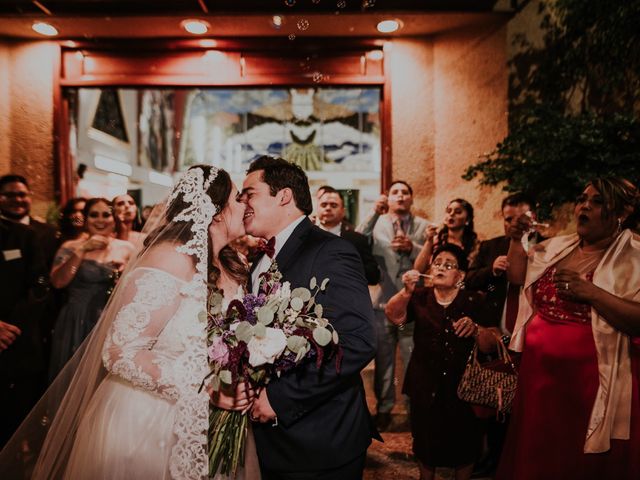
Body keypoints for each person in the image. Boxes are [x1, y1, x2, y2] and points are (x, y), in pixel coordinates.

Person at [0, 165, 260, 479]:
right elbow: (119, 351)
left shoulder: (233, 263)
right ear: (216, 211)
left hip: (216, 415)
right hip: (150, 422)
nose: (246, 205)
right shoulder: (169, 259)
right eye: (237, 198)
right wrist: (205, 387)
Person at [241, 156, 377, 479]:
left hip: (320, 442)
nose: (241, 202)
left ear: (284, 196)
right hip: (269, 442)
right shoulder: (259, 258)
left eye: (249, 193)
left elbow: (358, 341)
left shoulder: (331, 251)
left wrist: (279, 397)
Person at [496, 177, 640, 480]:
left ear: (622, 213)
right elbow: (517, 276)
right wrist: (515, 239)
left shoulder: (635, 256)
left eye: (598, 201)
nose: (584, 206)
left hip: (588, 384)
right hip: (539, 378)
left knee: (573, 460)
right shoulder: (559, 246)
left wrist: (593, 294)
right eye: (582, 198)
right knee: (538, 455)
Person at [385, 244, 498, 480]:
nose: (441, 267)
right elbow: (395, 317)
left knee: (465, 446)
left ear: (460, 276)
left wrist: (476, 330)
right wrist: (406, 291)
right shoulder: (420, 297)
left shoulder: (474, 300)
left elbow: (493, 342)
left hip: (464, 388)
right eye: (437, 263)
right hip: (425, 385)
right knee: (426, 445)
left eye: (449, 265)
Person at [357, 180, 430, 431]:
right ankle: (384, 408)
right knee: (384, 361)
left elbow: (436, 255)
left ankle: (413, 410)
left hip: (415, 304)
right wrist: (373, 213)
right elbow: (358, 239)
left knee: (414, 361)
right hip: (382, 302)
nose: (400, 196)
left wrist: (414, 248)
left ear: (411, 198)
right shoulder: (377, 222)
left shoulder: (424, 226)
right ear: (387, 198)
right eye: (395, 192)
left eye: (405, 192)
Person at [48, 197, 135, 379]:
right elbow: (58, 282)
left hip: (109, 319)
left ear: (114, 219)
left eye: (106, 215)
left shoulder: (126, 248)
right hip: (76, 319)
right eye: (94, 215)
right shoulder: (70, 247)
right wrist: (82, 250)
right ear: (85, 219)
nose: (100, 220)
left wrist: (123, 275)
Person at [0, 218, 49, 448]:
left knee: (13, 427)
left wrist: (9, 329)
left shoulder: (22, 235)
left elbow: (39, 286)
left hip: (15, 343)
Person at [316, 186, 380, 285]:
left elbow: (373, 276)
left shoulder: (357, 240)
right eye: (324, 205)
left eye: (333, 205)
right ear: (317, 209)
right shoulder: (305, 237)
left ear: (343, 211)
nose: (328, 208)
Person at [0, 174, 60, 269]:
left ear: (30, 196)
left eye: (22, 195)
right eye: (10, 195)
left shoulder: (50, 233)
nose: (17, 199)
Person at [414, 198, 479, 275]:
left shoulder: (474, 245)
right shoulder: (437, 239)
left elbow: (472, 275)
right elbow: (418, 270)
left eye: (458, 212)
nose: (451, 214)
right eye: (449, 211)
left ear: (467, 220)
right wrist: (429, 240)